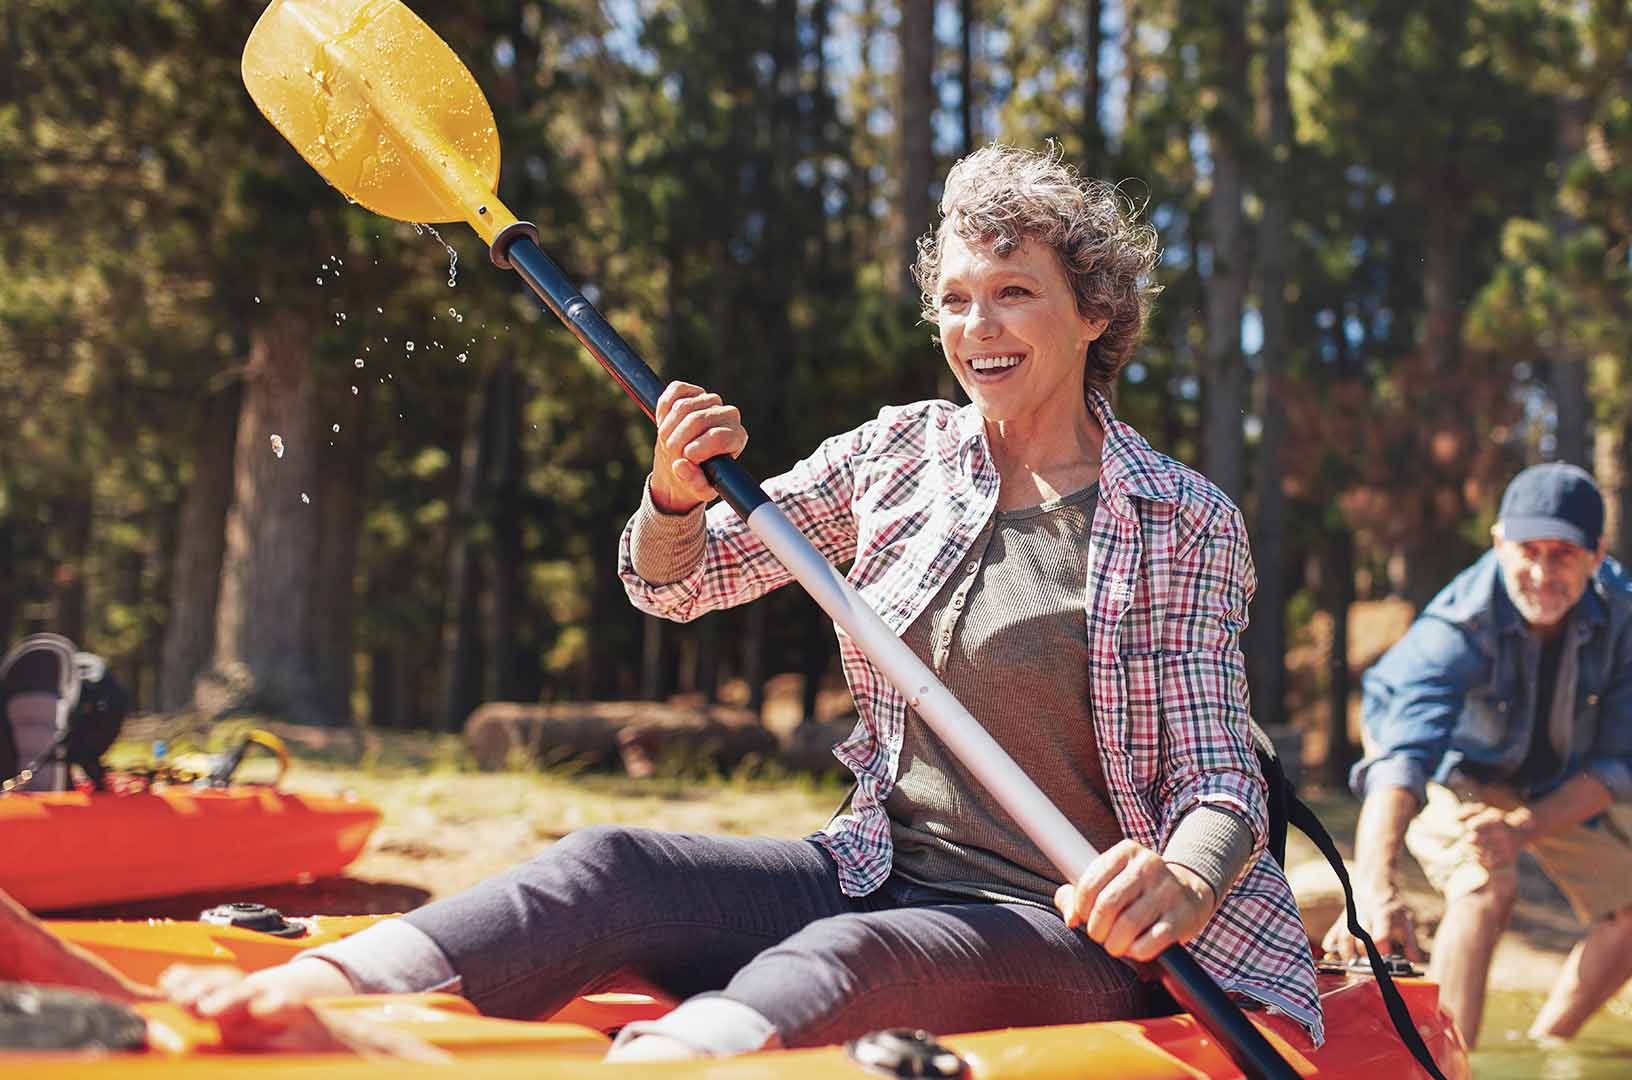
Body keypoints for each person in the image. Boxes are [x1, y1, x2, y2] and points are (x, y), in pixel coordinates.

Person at [136, 144, 1322, 1060]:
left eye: (1013, 293)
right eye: (957, 300)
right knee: (612, 866)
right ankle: (307, 1000)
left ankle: (660, 1069)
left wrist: (1182, 876)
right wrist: (670, 494)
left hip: (1070, 927)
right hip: (877, 863)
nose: (978, 329)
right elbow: (685, 583)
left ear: (1095, 312)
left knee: (853, 959)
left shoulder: (1177, 517)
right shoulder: (899, 456)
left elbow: (1217, 777)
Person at [1322, 463, 1632, 1048]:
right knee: (1484, 884)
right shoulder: (1460, 621)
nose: (1542, 573)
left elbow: (1619, 764)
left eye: (1563, 554)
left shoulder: (1631, 617)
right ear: (1499, 544)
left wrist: (1522, 828)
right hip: (1450, 762)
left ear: (1597, 555)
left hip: (1553, 777)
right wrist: (1374, 886)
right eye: (1528, 550)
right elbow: (1401, 761)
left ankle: (1547, 1047)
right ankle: (1446, 1060)